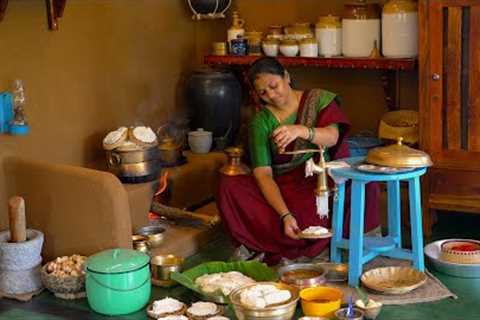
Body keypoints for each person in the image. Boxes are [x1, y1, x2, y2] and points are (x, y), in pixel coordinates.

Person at [217, 57, 380, 265]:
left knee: (364, 185)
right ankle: (277, 242)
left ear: (286, 76)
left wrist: (301, 131)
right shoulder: (261, 121)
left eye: (274, 86)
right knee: (229, 185)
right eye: (263, 92)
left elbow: (332, 137)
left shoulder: (318, 99)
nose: (272, 96)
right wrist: (285, 215)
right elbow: (263, 173)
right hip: (283, 185)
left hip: (321, 177)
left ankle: (339, 245)